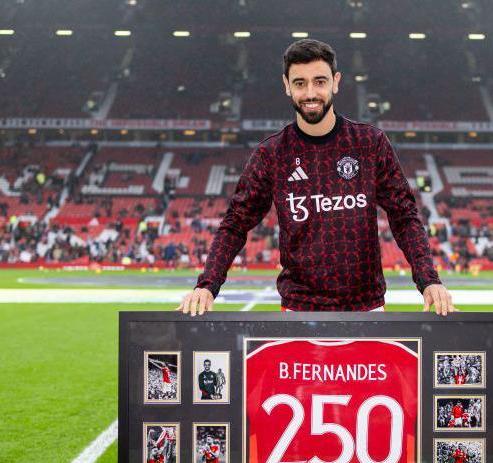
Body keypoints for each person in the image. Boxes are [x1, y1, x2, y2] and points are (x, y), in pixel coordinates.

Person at [178, 39, 454, 315]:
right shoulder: (272, 154)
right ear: (287, 85)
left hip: (366, 309)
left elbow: (404, 215)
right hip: (299, 311)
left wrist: (428, 280)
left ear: (336, 82)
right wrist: (207, 285)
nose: (310, 93)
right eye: (300, 83)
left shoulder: (370, 143)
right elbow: (235, 223)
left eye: (319, 81)